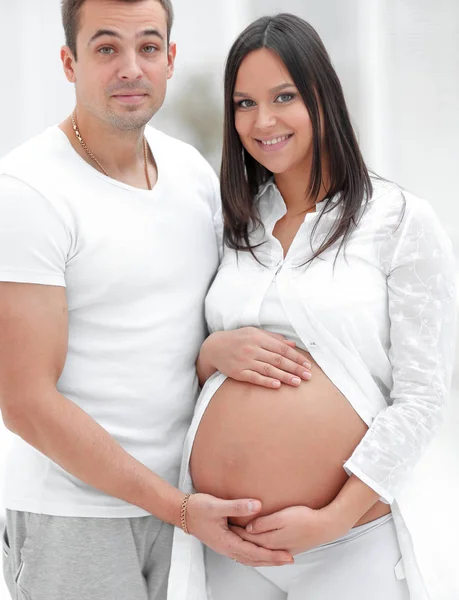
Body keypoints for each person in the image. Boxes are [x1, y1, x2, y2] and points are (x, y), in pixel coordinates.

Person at [0, 3, 320, 599]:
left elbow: (189, 324)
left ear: (170, 60)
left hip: (193, 510)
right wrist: (177, 507)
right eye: (105, 49)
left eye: (148, 47)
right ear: (69, 62)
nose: (130, 68)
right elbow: (25, 402)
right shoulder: (27, 191)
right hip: (75, 519)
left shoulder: (192, 173)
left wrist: (214, 348)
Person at [168, 13, 457, 600]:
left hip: (347, 544)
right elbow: (179, 365)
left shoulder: (398, 221)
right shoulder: (231, 227)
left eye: (284, 97)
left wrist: (333, 517)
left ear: (322, 96)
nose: (263, 121)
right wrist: (211, 353)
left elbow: (424, 397)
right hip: (229, 546)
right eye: (244, 103)